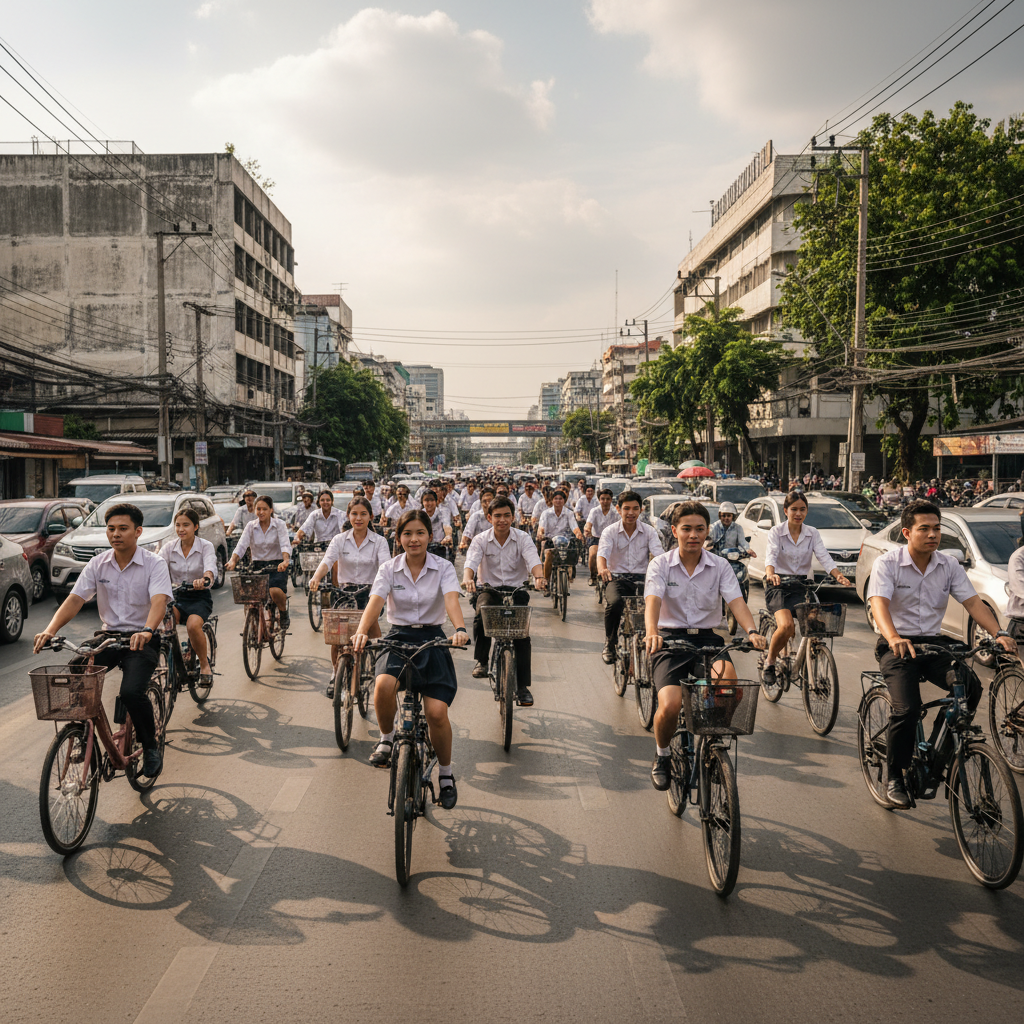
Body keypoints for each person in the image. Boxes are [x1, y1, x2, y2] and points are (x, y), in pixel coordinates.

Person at [868, 499, 1015, 807]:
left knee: (970, 688)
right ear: (908, 532)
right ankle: (894, 776)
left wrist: (998, 633)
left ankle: (940, 751)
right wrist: (893, 636)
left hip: (934, 645)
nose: (933, 534)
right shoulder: (888, 563)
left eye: (937, 528)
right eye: (925, 529)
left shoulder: (947, 565)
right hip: (897, 646)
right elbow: (878, 604)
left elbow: (973, 603)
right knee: (907, 709)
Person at [33, 502, 172, 777]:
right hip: (108, 637)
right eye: (111, 529)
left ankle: (151, 745)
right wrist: (50, 630)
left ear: (138, 531)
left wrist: (147, 630)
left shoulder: (154, 564)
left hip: (142, 638)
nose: (115, 534)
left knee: (132, 692)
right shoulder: (98, 564)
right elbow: (75, 599)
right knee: (76, 669)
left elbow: (159, 602)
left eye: (123, 528)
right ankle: (84, 732)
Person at [352, 510, 470, 810]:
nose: (413, 539)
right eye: (407, 534)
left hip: (433, 640)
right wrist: (362, 632)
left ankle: (445, 775)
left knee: (436, 713)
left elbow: (451, 600)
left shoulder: (443, 567)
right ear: (399, 538)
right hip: (398, 637)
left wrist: (459, 629)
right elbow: (375, 602)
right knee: (382, 687)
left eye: (419, 533)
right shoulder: (389, 569)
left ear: (429, 536)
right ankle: (387, 738)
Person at [644, 501, 766, 790]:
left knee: (730, 686)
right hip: (670, 640)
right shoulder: (660, 564)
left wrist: (751, 630)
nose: (693, 535)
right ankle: (662, 755)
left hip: (708, 638)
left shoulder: (720, 565)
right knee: (671, 705)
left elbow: (736, 601)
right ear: (675, 531)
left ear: (707, 531)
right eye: (686, 529)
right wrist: (651, 631)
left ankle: (710, 739)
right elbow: (654, 600)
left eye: (700, 529)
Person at [463, 496, 546, 705]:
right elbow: (471, 562)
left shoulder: (523, 538)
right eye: (497, 516)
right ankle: (481, 661)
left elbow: (533, 559)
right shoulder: (481, 539)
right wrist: (467, 579)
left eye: (506, 515)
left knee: (522, 636)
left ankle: (522, 686)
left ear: (513, 516)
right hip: (489, 589)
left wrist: (539, 577)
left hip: (516, 590)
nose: (502, 520)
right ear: (489, 517)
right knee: (481, 612)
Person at [761, 491, 851, 685]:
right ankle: (769, 662)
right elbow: (771, 556)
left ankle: (811, 662)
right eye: (794, 509)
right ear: (786, 511)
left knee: (817, 625)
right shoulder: (777, 532)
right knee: (786, 626)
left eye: (802, 509)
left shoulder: (812, 533)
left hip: (802, 585)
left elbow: (824, 556)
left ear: (807, 511)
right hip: (779, 585)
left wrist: (838, 575)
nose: (798, 513)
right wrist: (771, 573)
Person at [309, 497, 390, 673]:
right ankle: (335, 673)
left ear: (371, 516)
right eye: (354, 514)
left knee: (372, 635)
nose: (358, 518)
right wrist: (316, 577)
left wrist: (386, 588)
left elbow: (385, 567)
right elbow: (327, 561)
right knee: (338, 638)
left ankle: (373, 669)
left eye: (363, 514)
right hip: (344, 593)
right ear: (348, 516)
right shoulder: (339, 539)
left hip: (370, 594)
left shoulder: (379, 542)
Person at [596, 490, 662, 663]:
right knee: (615, 603)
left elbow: (658, 555)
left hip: (643, 578)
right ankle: (610, 643)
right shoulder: (609, 532)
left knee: (660, 604)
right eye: (626, 508)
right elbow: (602, 553)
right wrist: (603, 568)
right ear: (618, 509)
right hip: (617, 578)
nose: (631, 513)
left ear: (641, 510)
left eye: (635, 508)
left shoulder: (649, 532)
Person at [161, 508, 217, 686]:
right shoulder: (169, 547)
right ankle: (173, 658)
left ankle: (205, 665)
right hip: (175, 597)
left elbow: (210, 566)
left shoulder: (205, 546)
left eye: (186, 525)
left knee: (193, 626)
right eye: (178, 525)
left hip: (198, 597)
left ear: (196, 526)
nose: (181, 529)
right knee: (162, 626)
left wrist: (205, 578)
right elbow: (156, 565)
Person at [227, 494, 292, 629]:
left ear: (271, 510)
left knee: (274, 591)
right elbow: (241, 546)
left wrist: (285, 560)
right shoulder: (251, 526)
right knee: (251, 596)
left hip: (277, 565)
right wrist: (233, 560)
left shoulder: (279, 525)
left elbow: (285, 544)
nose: (261, 512)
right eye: (258, 509)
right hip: (257, 565)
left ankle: (283, 612)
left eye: (264, 509)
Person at [536, 490, 584, 583]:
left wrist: (578, 534)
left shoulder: (569, 513)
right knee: (549, 554)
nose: (558, 501)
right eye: (556, 499)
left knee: (573, 552)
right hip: (550, 540)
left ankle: (571, 572)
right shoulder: (546, 513)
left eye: (560, 499)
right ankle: (546, 581)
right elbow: (541, 528)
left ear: (564, 501)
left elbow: (574, 527)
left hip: (566, 541)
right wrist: (540, 533)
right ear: (552, 500)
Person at [584, 488, 619, 584]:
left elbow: (622, 525)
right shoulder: (594, 511)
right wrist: (587, 530)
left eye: (608, 499)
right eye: (602, 499)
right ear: (599, 500)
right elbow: (588, 524)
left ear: (611, 500)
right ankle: (593, 577)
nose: (605, 501)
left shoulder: (615, 512)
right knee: (593, 554)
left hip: (611, 539)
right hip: (596, 538)